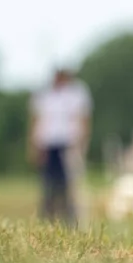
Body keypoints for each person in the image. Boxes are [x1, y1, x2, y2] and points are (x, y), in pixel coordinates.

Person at [27, 68, 92, 225]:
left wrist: (82, 144)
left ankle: (72, 220)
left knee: (70, 184)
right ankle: (48, 218)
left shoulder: (77, 93)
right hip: (48, 144)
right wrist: (34, 145)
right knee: (48, 184)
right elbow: (36, 121)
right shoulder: (44, 94)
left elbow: (84, 120)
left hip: (69, 144)